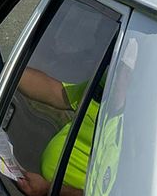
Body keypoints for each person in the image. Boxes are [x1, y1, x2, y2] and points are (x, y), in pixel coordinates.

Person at [13, 67, 101, 196]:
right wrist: (8, 70)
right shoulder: (106, 88)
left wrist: (48, 189)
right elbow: (56, 93)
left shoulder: (135, 134)